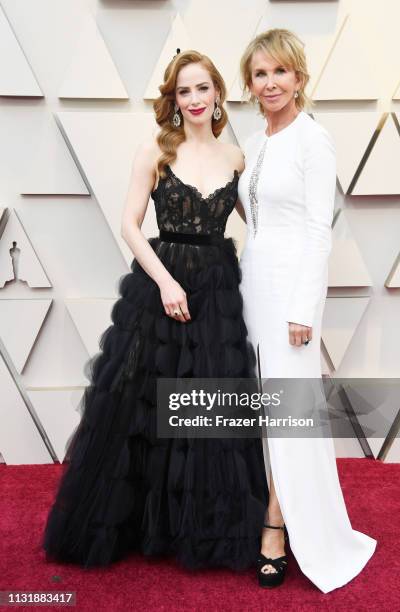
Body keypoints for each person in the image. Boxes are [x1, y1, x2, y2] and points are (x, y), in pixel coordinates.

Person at [42, 50, 269, 571]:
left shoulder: (238, 159)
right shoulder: (156, 151)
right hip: (161, 284)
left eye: (202, 89)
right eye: (184, 91)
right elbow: (129, 223)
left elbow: (262, 221)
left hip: (216, 291)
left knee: (207, 406)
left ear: (218, 95)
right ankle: (139, 525)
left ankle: (201, 528)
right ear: (174, 99)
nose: (193, 99)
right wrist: (165, 282)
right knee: (141, 405)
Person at [237, 29, 377, 591]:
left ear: (299, 78)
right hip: (252, 283)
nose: (270, 83)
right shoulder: (253, 140)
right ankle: (270, 506)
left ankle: (277, 524)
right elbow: (255, 220)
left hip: (290, 292)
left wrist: (303, 309)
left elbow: (319, 231)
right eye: (260, 74)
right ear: (249, 83)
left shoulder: (313, 140)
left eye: (280, 72)